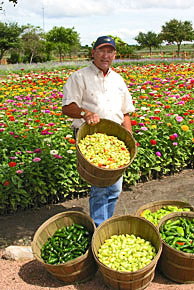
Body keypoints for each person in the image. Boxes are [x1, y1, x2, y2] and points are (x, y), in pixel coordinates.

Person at [62, 36, 135, 226]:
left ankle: (104, 223)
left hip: (115, 140)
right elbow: (67, 108)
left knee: (115, 188)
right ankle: (99, 228)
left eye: (110, 51)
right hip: (91, 138)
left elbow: (125, 112)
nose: (106, 55)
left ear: (114, 55)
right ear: (93, 52)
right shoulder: (79, 77)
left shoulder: (118, 79)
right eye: (101, 50)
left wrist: (129, 138)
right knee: (101, 187)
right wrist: (84, 113)